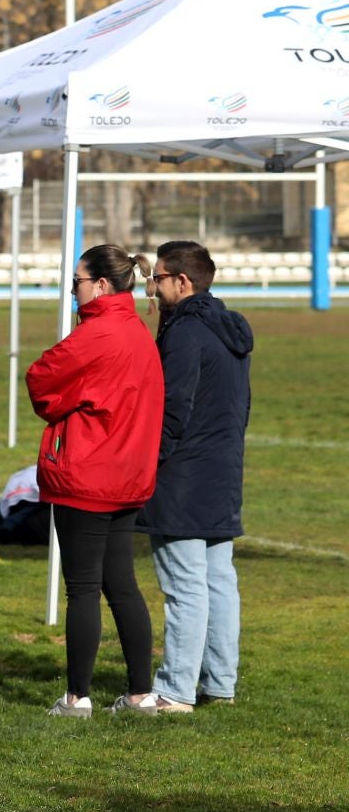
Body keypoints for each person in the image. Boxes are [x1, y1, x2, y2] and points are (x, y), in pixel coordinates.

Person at [26, 243, 165, 718]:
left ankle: (77, 696)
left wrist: (66, 403)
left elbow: (41, 380)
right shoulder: (138, 331)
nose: (72, 290)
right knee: (121, 584)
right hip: (129, 474)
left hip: (88, 474)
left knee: (83, 588)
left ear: (101, 284)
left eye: (77, 281)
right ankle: (141, 693)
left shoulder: (98, 333)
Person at [138, 241, 252, 712]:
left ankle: (175, 690)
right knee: (218, 583)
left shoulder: (186, 333)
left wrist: (149, 463)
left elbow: (173, 410)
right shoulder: (228, 328)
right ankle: (219, 684)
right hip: (222, 471)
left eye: (158, 278)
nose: (153, 286)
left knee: (186, 586)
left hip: (183, 476)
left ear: (182, 281)